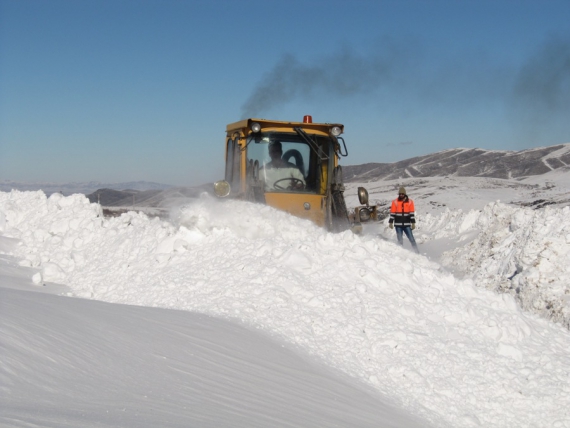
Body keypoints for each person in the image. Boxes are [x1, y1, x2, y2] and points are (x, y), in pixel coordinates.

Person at [388, 186, 419, 253]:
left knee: (412, 239)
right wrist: (391, 222)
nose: (401, 195)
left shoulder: (410, 202)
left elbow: (411, 213)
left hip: (407, 224)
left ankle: (417, 252)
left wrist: (413, 223)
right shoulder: (395, 202)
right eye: (400, 194)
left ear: (405, 194)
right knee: (400, 240)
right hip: (398, 225)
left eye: (402, 194)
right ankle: (401, 253)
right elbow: (392, 213)